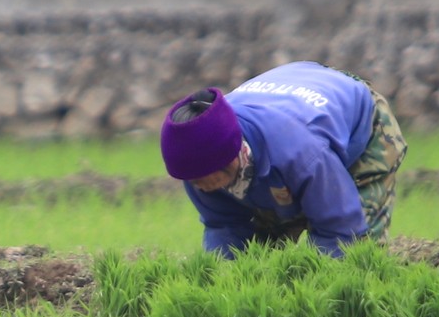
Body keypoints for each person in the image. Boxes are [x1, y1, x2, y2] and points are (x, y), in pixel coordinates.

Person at [159, 61, 407, 258]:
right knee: (259, 255)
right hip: (288, 107)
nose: (198, 187)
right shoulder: (196, 162)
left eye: (202, 178)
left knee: (358, 250)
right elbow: (224, 227)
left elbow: (340, 231)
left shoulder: (301, 154)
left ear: (231, 157)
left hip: (358, 117)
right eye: (190, 181)